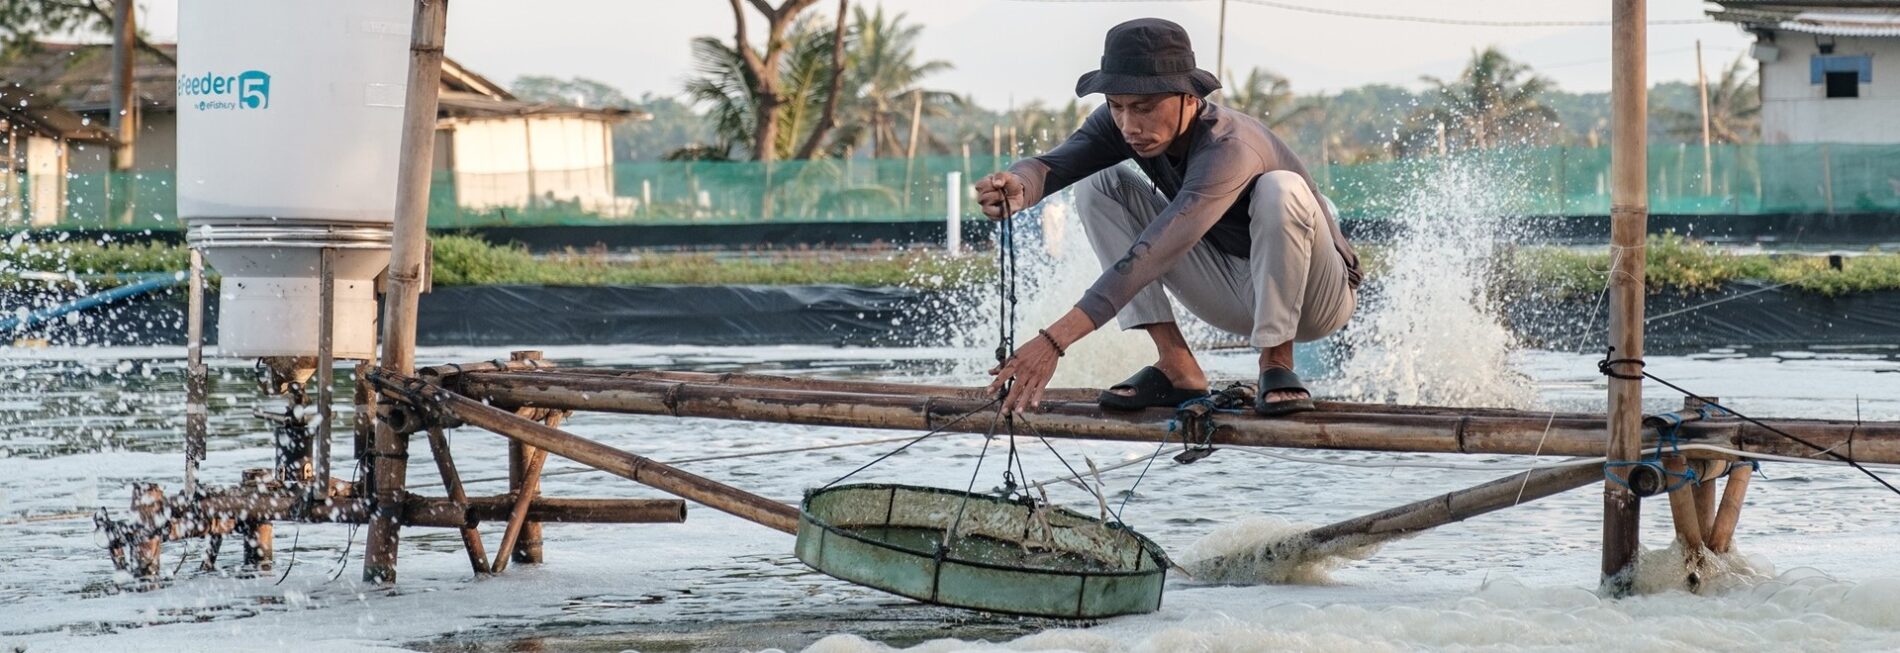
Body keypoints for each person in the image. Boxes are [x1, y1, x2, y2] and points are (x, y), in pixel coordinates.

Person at [976, 17, 1361, 417]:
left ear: (1189, 98)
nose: (1129, 125)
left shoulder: (1229, 146)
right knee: (1097, 184)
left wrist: (1055, 340)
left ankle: (1277, 362)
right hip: (1232, 292)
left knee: (1279, 189)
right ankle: (1177, 365)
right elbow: (1051, 166)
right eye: (1117, 106)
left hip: (1316, 300)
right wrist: (1019, 185)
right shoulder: (1119, 125)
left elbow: (1160, 247)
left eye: (1143, 107)